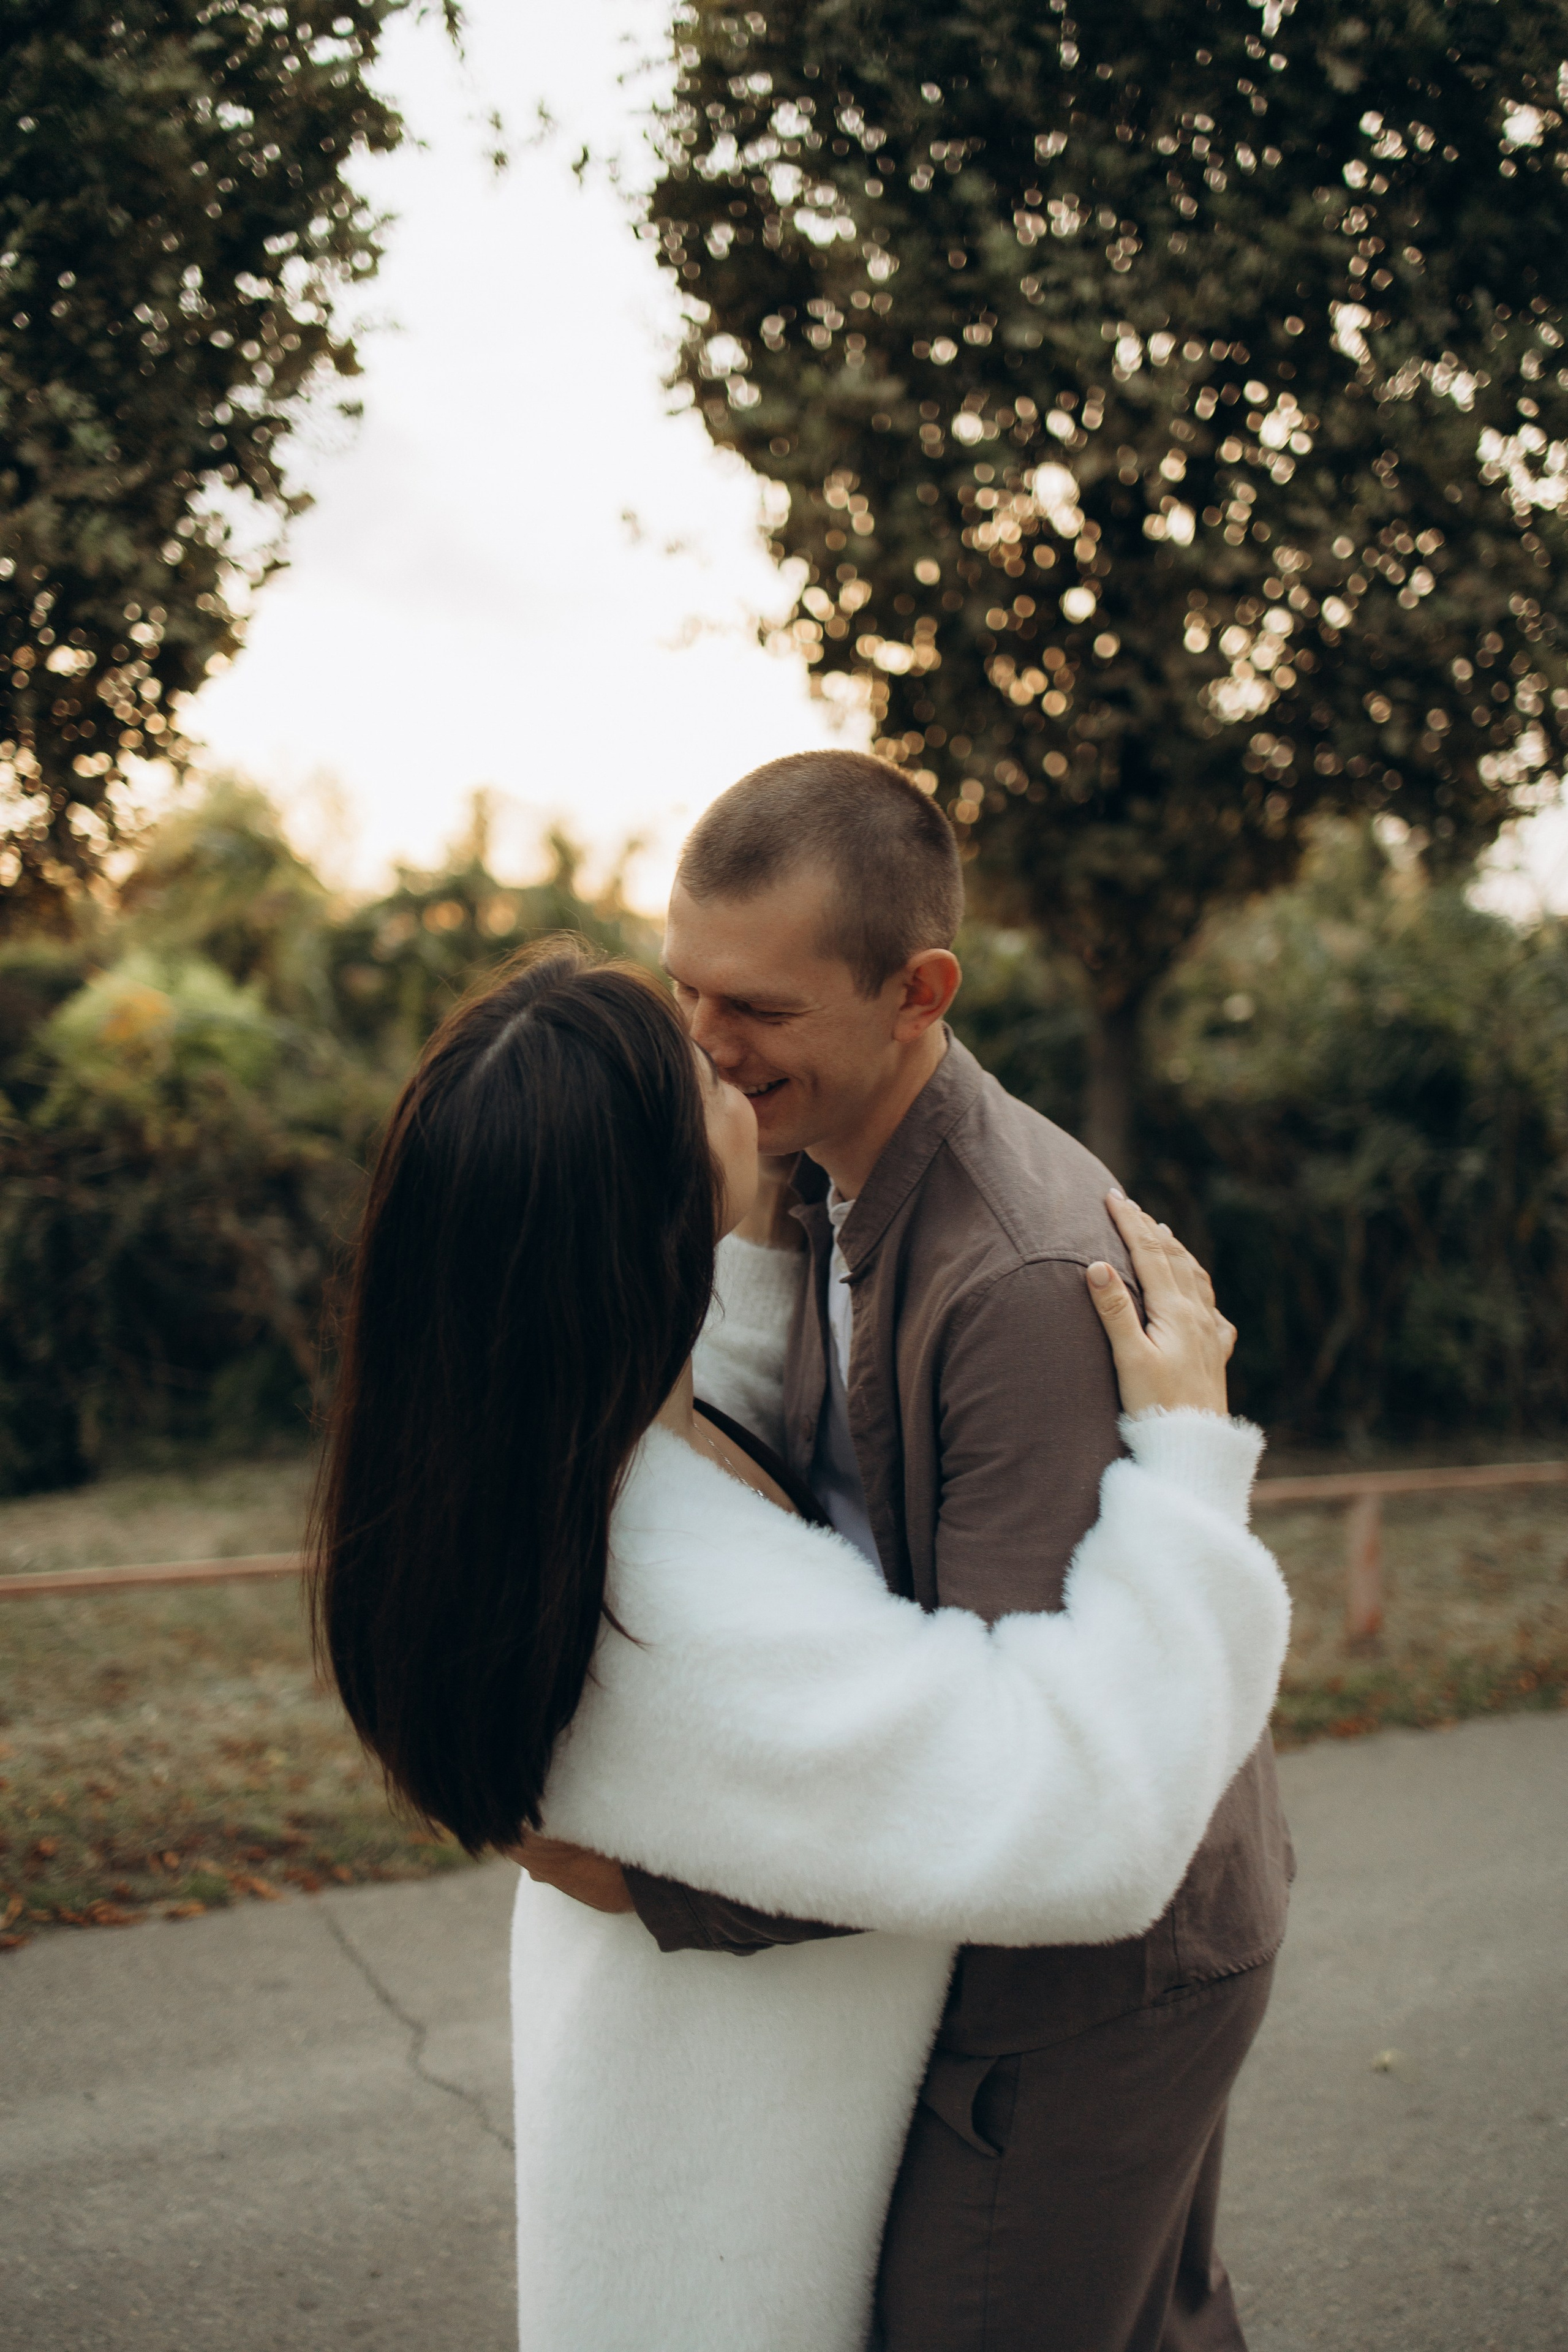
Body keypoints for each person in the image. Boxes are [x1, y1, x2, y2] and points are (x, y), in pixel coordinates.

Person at [310, 935, 1289, 2352]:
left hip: (650, 2133)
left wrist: (757, 1228)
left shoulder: (505, 1471)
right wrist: (1188, 1471)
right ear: (647, 1208)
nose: (723, 1050)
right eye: (692, 1067)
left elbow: (709, 1391)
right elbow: (1086, 1818)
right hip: (724, 2220)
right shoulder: (690, 1610)